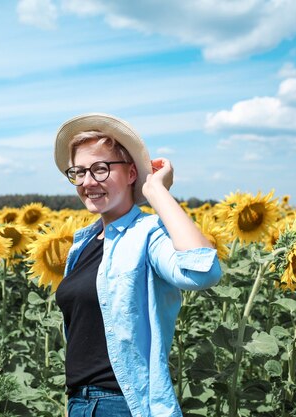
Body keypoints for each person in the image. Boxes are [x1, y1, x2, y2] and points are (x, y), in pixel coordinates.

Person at [53, 113, 222, 417]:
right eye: (79, 172)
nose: (88, 182)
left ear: (132, 173)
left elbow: (202, 271)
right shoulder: (82, 245)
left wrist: (156, 190)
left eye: (101, 169)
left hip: (122, 404)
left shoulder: (148, 233)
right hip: (80, 404)